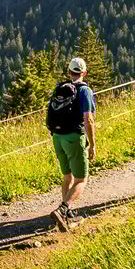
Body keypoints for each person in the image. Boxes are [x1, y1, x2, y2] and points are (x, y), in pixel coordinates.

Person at [45, 55, 96, 231]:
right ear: (84, 73)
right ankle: (63, 209)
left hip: (57, 137)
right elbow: (88, 119)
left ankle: (66, 213)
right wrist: (93, 143)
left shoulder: (59, 88)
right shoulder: (84, 91)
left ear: (69, 72)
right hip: (74, 137)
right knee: (81, 179)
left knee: (68, 176)